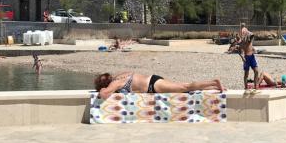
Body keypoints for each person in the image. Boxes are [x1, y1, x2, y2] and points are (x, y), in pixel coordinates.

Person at [94, 71, 223, 100]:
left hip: (152, 85)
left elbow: (104, 95)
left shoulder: (115, 83)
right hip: (153, 80)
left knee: (186, 87)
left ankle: (213, 82)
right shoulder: (120, 75)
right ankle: (213, 87)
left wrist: (103, 89)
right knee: (184, 88)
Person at [234, 24, 260, 90]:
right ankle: (246, 87)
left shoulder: (249, 37)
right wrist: (242, 57)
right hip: (246, 58)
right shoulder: (242, 41)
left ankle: (255, 86)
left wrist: (253, 49)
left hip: (252, 56)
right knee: (246, 74)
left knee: (256, 71)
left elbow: (251, 36)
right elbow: (239, 50)